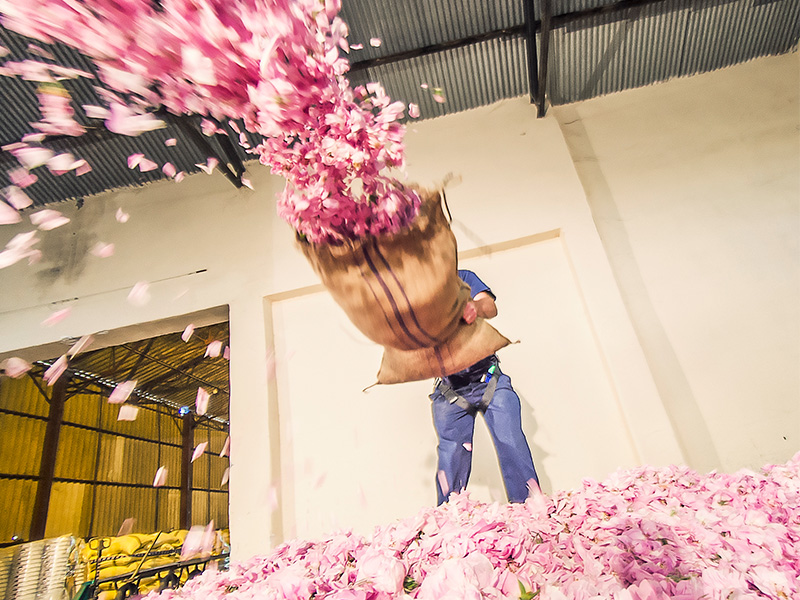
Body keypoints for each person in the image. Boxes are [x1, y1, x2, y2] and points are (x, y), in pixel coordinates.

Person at [430, 269, 539, 505]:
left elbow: (490, 306)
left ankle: (530, 512)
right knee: (451, 457)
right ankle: (448, 520)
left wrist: (474, 308)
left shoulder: (462, 278)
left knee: (511, 441)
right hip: (449, 392)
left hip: (489, 380)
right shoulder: (415, 294)